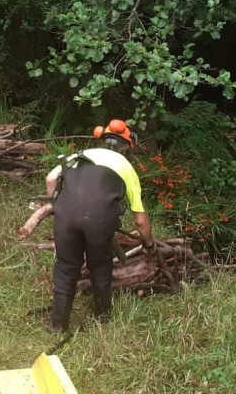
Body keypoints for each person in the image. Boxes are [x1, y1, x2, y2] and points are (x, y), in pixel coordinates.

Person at [45, 119, 155, 332]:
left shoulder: (81, 155)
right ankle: (102, 318)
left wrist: (57, 206)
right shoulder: (125, 166)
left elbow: (51, 179)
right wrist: (149, 244)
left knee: (66, 266)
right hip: (100, 220)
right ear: (128, 146)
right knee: (100, 265)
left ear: (101, 140)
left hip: (65, 216)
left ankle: (57, 326)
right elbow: (140, 220)